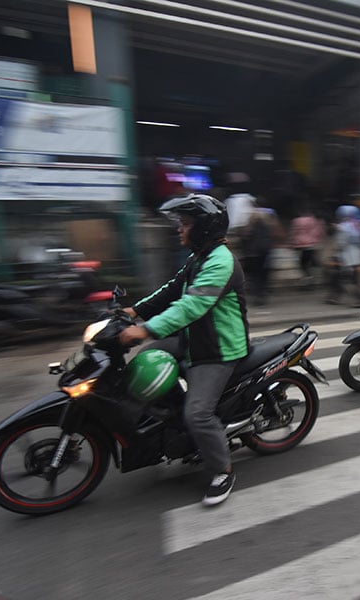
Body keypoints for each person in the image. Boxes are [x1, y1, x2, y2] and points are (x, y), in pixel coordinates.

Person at [118, 193, 250, 507]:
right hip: (194, 339)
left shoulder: (221, 262)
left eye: (185, 224)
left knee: (198, 413)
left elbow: (191, 307)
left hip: (218, 349)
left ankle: (223, 471)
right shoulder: (198, 257)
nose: (179, 229)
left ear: (203, 227)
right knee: (144, 361)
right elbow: (171, 290)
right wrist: (134, 312)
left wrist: (145, 329)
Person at [324, 204, 360, 305]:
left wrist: (335, 252)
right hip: (358, 255)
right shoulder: (357, 225)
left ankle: (336, 297)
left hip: (346, 255)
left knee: (337, 276)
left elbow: (341, 242)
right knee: (355, 278)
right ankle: (359, 299)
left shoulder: (343, 227)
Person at [289, 207, 326, 284]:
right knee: (311, 259)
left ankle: (307, 276)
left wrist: (292, 241)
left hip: (300, 244)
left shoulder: (296, 221)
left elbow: (294, 232)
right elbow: (319, 231)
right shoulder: (314, 220)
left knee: (302, 261)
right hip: (312, 243)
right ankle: (311, 277)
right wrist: (318, 239)